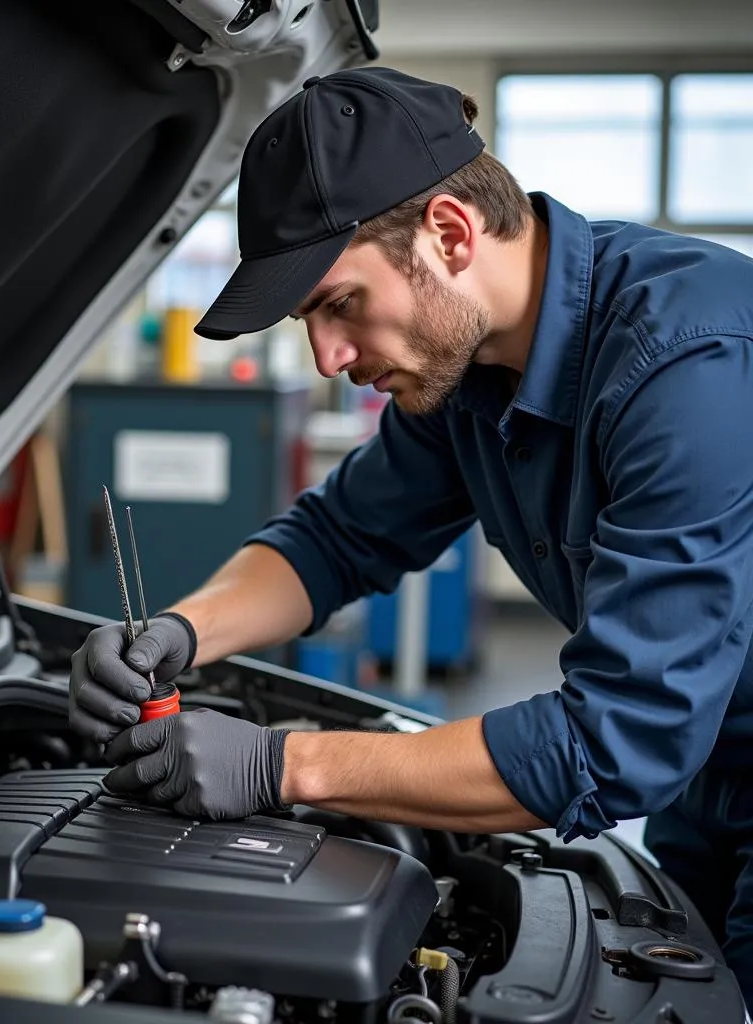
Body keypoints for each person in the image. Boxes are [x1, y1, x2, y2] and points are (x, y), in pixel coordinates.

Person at [69, 68, 753, 998]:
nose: (328, 358)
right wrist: (181, 634)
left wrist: (282, 764)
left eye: (338, 303)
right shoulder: (463, 372)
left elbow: (612, 741)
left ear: (450, 233)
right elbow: (337, 538)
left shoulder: (690, 367)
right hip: (712, 770)